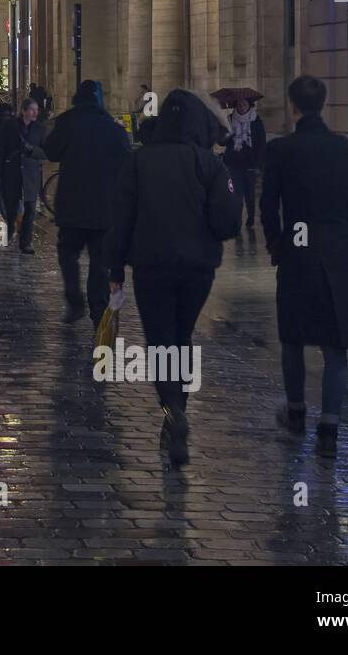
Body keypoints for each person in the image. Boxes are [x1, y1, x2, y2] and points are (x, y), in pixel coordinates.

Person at [104, 89, 242, 467]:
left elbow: (121, 220)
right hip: (198, 269)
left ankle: (173, 409)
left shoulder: (139, 162)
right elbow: (228, 221)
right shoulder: (209, 165)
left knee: (161, 341)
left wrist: (114, 269)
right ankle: (177, 409)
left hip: (152, 266)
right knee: (182, 336)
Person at [260, 75, 348, 459]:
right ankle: (330, 427)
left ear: (292, 106)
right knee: (336, 346)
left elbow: (268, 203)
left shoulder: (282, 151)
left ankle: (296, 412)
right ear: (322, 105)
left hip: (298, 251)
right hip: (337, 254)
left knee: (293, 337)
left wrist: (276, 242)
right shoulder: (344, 149)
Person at [44, 80, 131, 323]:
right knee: (100, 262)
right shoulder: (113, 129)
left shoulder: (67, 122)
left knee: (68, 253)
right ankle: (98, 310)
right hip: (104, 207)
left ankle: (75, 301)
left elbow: (50, 150)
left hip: (72, 205)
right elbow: (127, 163)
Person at [0, 97, 47, 254]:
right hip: (12, 172)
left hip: (31, 174)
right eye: (32, 110)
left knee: (30, 209)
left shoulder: (39, 128)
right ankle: (9, 232)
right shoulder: (10, 126)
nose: (35, 113)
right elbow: (1, 149)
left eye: (37, 110)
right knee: (11, 208)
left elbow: (45, 151)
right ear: (24, 111)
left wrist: (32, 150)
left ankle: (25, 242)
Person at [222, 97, 267, 232]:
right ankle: (238, 219)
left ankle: (251, 217)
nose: (241, 105)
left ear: (249, 105)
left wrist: (259, 164)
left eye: (244, 103)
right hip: (233, 163)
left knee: (249, 194)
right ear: (235, 105)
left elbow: (261, 143)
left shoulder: (256, 120)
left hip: (250, 162)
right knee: (236, 194)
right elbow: (221, 142)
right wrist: (228, 135)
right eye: (239, 103)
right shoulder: (229, 120)